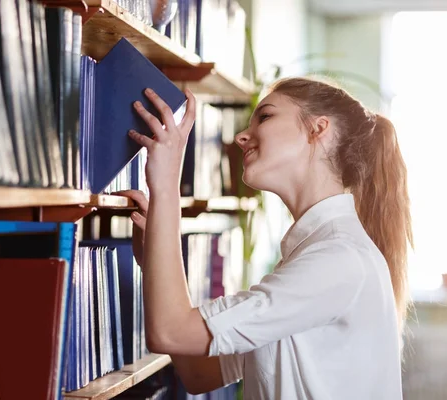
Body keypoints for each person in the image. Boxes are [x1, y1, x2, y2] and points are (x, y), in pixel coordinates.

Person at [118, 77, 413, 400]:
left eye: (266, 116)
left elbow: (170, 333)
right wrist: (153, 261)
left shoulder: (338, 259)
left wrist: (167, 185)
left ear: (319, 129)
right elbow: (199, 374)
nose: (242, 136)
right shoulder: (317, 254)